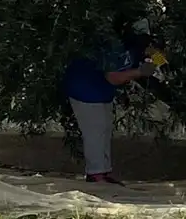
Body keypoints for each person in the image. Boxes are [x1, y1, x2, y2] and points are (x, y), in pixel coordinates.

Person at [64, 13, 158, 184]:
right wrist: (140, 72)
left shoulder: (138, 46)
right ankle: (95, 174)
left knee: (105, 128)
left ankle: (104, 171)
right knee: (95, 131)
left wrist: (159, 61)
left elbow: (156, 56)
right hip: (84, 88)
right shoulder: (114, 46)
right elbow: (113, 77)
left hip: (102, 91)